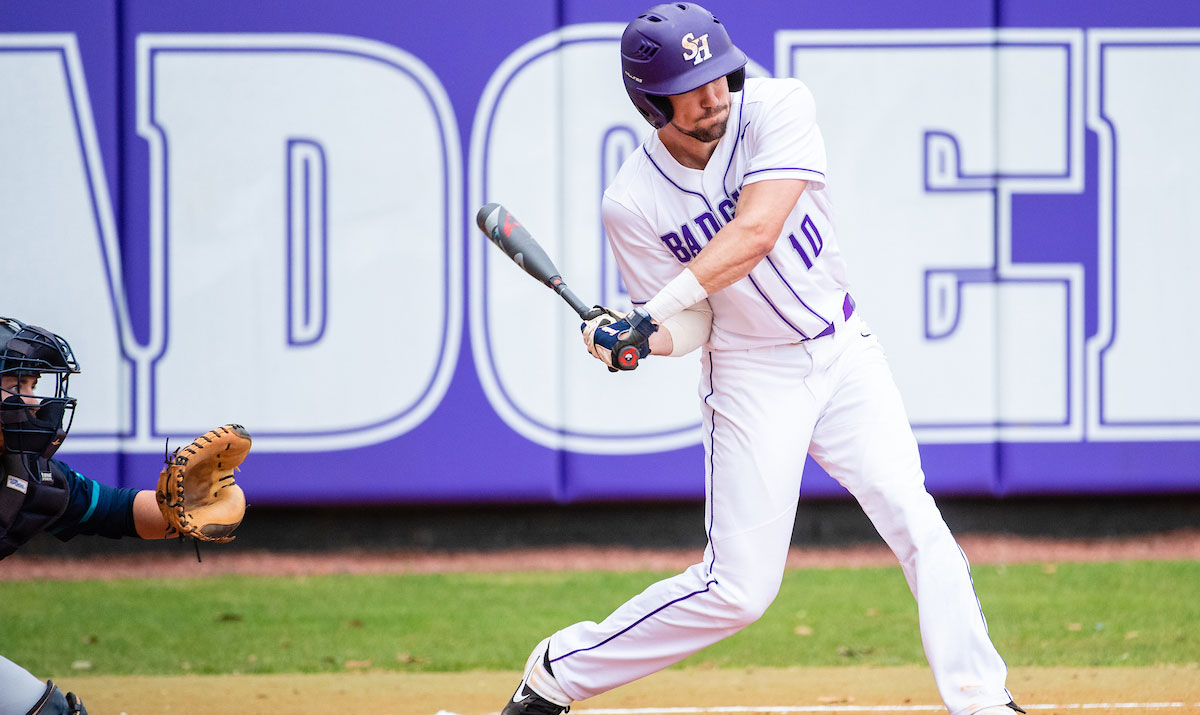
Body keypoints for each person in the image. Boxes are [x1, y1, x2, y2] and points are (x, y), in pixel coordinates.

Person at [500, 4, 1024, 715]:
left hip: (842, 351)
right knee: (739, 591)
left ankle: (982, 700)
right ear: (652, 100)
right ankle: (558, 673)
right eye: (693, 82)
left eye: (719, 71)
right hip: (753, 378)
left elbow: (755, 229)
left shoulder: (779, 105)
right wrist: (634, 341)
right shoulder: (631, 201)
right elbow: (696, 325)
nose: (715, 92)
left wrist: (648, 311)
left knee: (915, 517)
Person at [0, 316, 246, 715]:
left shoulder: (27, 477)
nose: (33, 400)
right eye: (16, 383)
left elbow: (118, 511)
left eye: (34, 385)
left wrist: (182, 508)